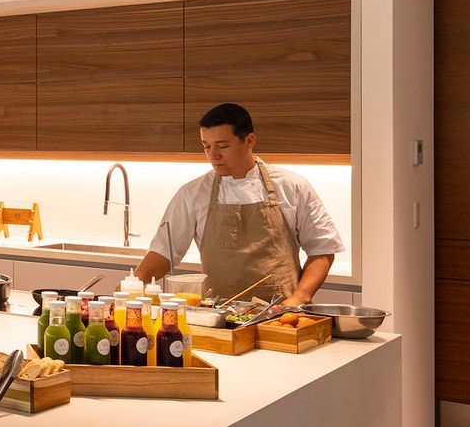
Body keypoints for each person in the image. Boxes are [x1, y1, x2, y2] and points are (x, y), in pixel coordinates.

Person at [131, 102, 343, 306]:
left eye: (222, 146)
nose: (213, 156)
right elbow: (163, 253)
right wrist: (128, 290)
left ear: (249, 140)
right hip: (216, 317)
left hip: (279, 315)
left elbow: (322, 249)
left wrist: (299, 298)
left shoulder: (292, 186)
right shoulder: (193, 193)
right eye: (206, 146)